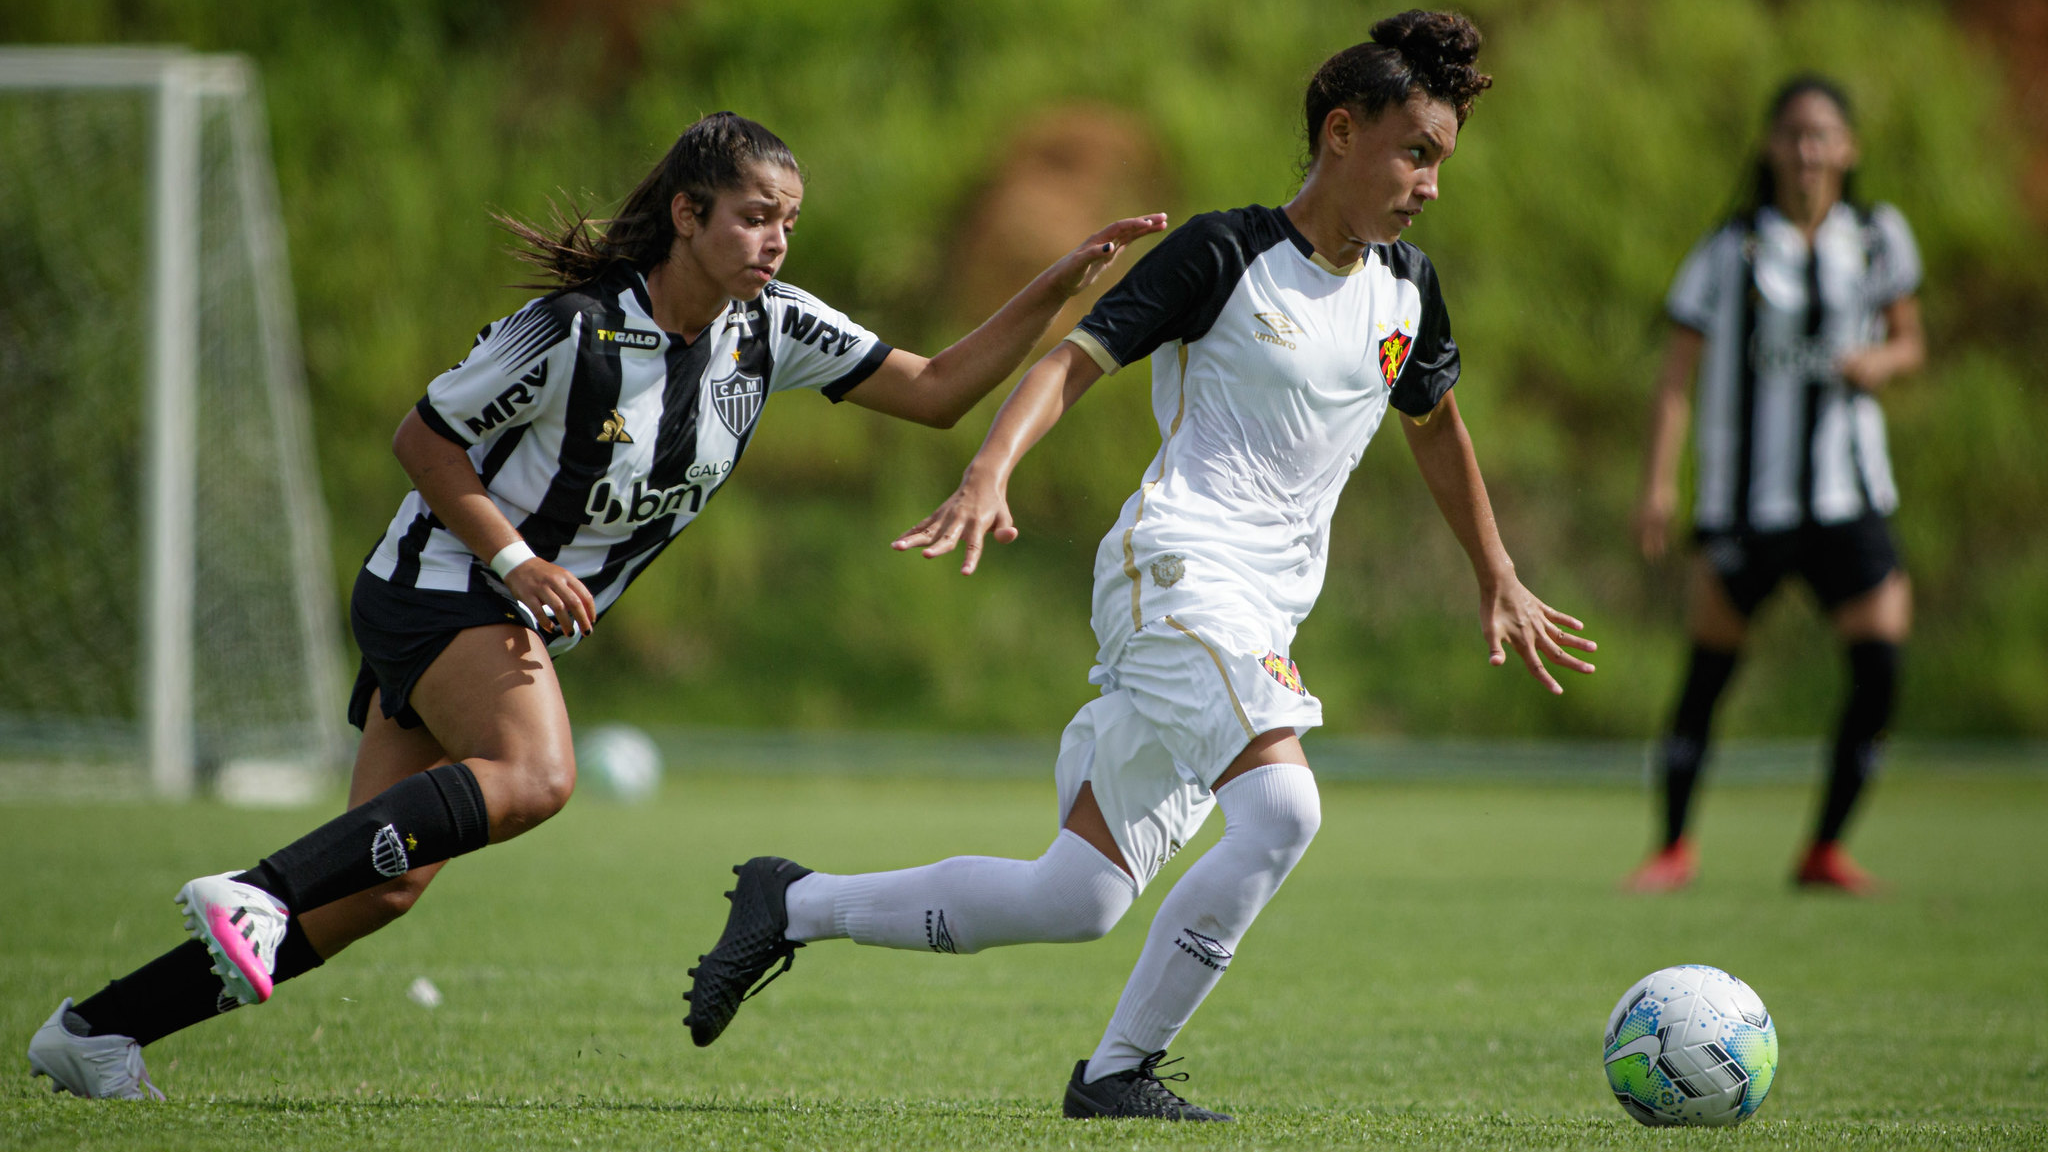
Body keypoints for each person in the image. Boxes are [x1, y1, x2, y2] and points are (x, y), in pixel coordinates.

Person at [25, 111, 1166, 1100]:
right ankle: (256, 890)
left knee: (385, 886)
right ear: (686, 214)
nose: (774, 240)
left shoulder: (770, 331)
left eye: (788, 221)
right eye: (754, 215)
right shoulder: (576, 330)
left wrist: (1057, 284)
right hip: (439, 584)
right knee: (537, 776)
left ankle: (99, 1030)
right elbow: (424, 440)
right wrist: (519, 561)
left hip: (491, 606)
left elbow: (935, 391)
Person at [681, 13, 1595, 1122]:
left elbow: (1435, 426)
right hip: (1177, 574)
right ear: (1341, 135)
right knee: (1282, 812)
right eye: (1415, 153)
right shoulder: (1225, 252)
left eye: (1440, 159)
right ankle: (1117, 1076)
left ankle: (794, 905)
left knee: (1075, 896)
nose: (1429, 185)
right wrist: (987, 473)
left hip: (1257, 611)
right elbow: (1074, 358)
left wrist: (1493, 570)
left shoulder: (1408, 291)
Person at [1623, 75, 1924, 895]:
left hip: (1850, 497)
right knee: (1708, 675)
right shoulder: (1730, 250)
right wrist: (1657, 485)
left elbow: (1911, 342)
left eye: (1823, 134)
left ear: (1848, 148)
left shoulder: (1875, 237)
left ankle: (1824, 847)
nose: (1807, 149)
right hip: (1745, 504)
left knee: (1880, 669)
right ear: (1769, 145)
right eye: (1793, 132)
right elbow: (1676, 377)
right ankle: (1673, 846)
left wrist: (1882, 361)